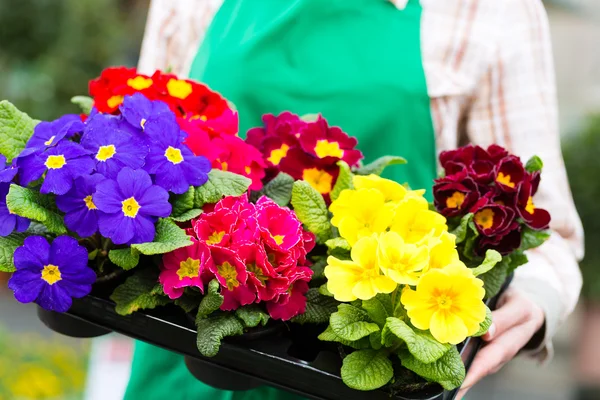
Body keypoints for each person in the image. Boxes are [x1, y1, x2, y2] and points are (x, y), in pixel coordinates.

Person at [126, 1, 584, 399]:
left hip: (372, 359)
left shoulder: (493, 10)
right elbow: (139, 153)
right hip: (188, 358)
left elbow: (544, 234)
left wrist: (535, 299)